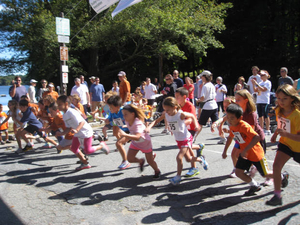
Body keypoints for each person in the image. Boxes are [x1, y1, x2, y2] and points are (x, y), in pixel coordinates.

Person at [146, 97, 207, 185]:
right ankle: (200, 159)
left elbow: (193, 116)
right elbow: (156, 121)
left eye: (168, 110)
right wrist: (149, 127)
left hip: (185, 138)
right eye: (165, 110)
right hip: (178, 139)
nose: (166, 112)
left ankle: (178, 177)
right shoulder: (166, 114)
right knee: (189, 159)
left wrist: (196, 125)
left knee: (179, 158)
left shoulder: (180, 114)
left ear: (175, 107)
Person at [222, 104, 275, 196]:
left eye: (232, 118)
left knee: (265, 174)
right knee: (238, 172)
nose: (229, 120)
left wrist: (245, 150)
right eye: (228, 117)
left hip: (255, 154)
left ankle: (282, 176)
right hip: (245, 154)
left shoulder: (244, 126)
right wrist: (224, 151)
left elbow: (256, 137)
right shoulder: (232, 126)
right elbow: (230, 138)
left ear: (240, 118)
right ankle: (254, 185)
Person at [266, 84, 300, 206]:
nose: (281, 101)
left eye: (284, 98)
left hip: (298, 148)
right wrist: (276, 134)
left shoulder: (297, 115)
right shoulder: (278, 111)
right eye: (279, 98)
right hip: (285, 144)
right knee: (276, 166)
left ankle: (283, 179)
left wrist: (285, 133)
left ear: (292, 98)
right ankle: (277, 195)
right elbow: (281, 126)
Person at [56, 95, 109, 171]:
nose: (58, 106)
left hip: (85, 132)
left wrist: (76, 130)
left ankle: (101, 145)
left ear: (66, 103)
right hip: (77, 134)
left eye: (60, 104)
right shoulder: (64, 115)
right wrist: (62, 133)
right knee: (74, 148)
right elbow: (68, 127)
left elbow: (82, 122)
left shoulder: (71, 112)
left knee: (88, 151)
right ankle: (85, 163)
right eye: (58, 104)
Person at [119, 104, 161, 178]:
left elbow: (138, 137)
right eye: (123, 114)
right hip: (135, 142)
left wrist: (125, 135)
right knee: (130, 159)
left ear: (132, 114)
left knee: (150, 161)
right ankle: (141, 161)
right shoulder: (128, 121)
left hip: (145, 143)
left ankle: (157, 170)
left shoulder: (137, 123)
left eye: (126, 114)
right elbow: (132, 131)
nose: (124, 116)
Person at [175, 87, 207, 177]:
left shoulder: (189, 106)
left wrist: (180, 124)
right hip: (183, 130)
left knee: (187, 148)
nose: (176, 99)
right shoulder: (178, 106)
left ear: (184, 96)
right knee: (186, 147)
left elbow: (190, 119)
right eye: (175, 96)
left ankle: (194, 168)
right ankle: (199, 147)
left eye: (177, 97)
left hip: (192, 129)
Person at [106, 95, 131, 169]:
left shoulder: (124, 111)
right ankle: (150, 153)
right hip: (123, 131)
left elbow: (134, 119)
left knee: (118, 143)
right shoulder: (112, 112)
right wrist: (107, 120)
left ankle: (125, 161)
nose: (109, 109)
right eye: (109, 107)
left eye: (111, 107)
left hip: (131, 131)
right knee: (118, 140)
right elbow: (109, 118)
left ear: (118, 106)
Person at [197, 70, 218, 135]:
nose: (201, 78)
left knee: (200, 123)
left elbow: (203, 97)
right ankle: (223, 137)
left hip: (207, 106)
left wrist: (198, 100)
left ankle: (193, 138)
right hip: (214, 105)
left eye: (202, 77)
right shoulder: (212, 85)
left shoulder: (205, 86)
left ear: (204, 77)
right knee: (216, 122)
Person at [251, 70, 272, 135]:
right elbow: (255, 90)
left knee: (266, 115)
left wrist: (256, 84)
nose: (261, 76)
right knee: (260, 115)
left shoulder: (268, 82)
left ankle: (268, 129)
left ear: (266, 76)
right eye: (261, 75)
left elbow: (263, 89)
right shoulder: (260, 83)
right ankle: (262, 128)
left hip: (265, 101)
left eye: (262, 75)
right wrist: (254, 84)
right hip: (259, 101)